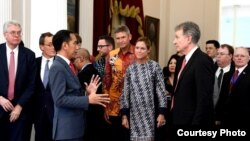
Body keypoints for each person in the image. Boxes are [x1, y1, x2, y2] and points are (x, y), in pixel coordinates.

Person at [49, 29, 110, 141]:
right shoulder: (57, 67)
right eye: (75, 43)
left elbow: (70, 93)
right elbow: (59, 99)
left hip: (74, 128)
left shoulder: (66, 65)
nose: (77, 47)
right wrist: (87, 100)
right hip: (67, 131)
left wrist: (86, 92)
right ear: (65, 45)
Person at [120, 37, 168, 141]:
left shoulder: (155, 67)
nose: (139, 51)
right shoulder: (130, 69)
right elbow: (125, 93)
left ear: (148, 50)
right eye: (137, 48)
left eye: (142, 48)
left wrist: (162, 113)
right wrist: (124, 115)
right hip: (133, 115)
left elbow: (161, 91)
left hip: (151, 114)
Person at [171, 21, 214, 127]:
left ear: (188, 39)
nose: (174, 41)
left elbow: (204, 99)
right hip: (178, 119)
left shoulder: (203, 61)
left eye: (177, 37)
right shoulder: (181, 60)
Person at [0, 20, 37, 141]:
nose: (17, 35)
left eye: (19, 33)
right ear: (5, 34)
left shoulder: (29, 55)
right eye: (13, 32)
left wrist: (19, 106)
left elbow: (32, 84)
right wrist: (0, 98)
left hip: (21, 110)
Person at [103, 25, 135, 141]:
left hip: (133, 103)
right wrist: (105, 105)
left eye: (123, 37)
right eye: (118, 38)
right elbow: (106, 80)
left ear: (129, 37)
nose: (120, 41)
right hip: (114, 103)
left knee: (129, 135)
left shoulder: (138, 53)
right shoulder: (112, 55)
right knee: (114, 135)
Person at [74, 48, 106, 141]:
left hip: (89, 115)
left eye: (74, 59)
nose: (74, 63)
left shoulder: (84, 73)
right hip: (96, 114)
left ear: (81, 58)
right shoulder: (93, 70)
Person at [34, 32, 56, 141]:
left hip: (56, 111)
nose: (53, 47)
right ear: (41, 47)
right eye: (50, 45)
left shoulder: (61, 64)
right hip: (38, 111)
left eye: (55, 44)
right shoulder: (34, 63)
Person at [222, 47, 250, 128]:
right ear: (233, 58)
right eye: (237, 56)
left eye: (242, 56)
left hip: (244, 120)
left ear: (248, 58)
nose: (239, 58)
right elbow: (223, 97)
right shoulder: (227, 74)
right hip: (226, 120)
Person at [213, 44, 234, 126]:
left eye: (221, 54)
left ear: (230, 56)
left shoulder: (235, 73)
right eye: (217, 54)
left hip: (227, 118)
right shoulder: (210, 69)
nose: (218, 56)